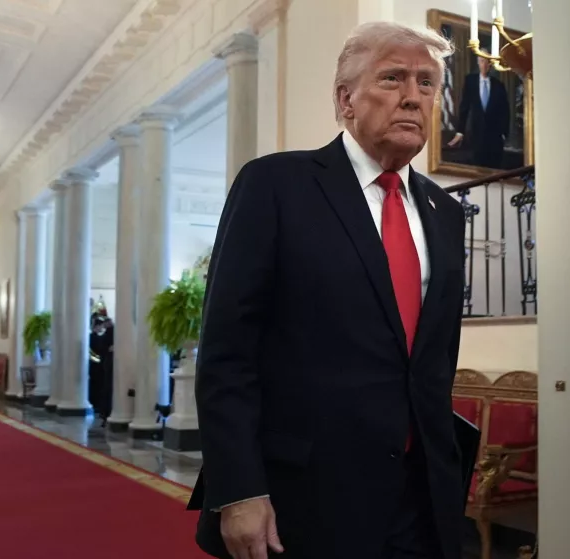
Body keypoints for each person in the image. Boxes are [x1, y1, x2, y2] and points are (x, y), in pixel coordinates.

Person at [191, 21, 467, 559]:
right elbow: (227, 355)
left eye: (427, 83)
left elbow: (432, 361)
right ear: (346, 99)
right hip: (304, 498)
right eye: (392, 78)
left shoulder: (446, 212)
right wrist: (239, 488)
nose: (413, 96)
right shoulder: (275, 185)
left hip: (421, 499)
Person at [448, 57, 510, 168]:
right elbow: (464, 107)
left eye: (487, 62)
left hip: (494, 139)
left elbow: (505, 112)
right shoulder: (471, 81)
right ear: (478, 62)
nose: (484, 65)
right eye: (482, 61)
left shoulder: (498, 85)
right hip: (476, 135)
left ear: (491, 64)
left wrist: (504, 134)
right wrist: (460, 132)